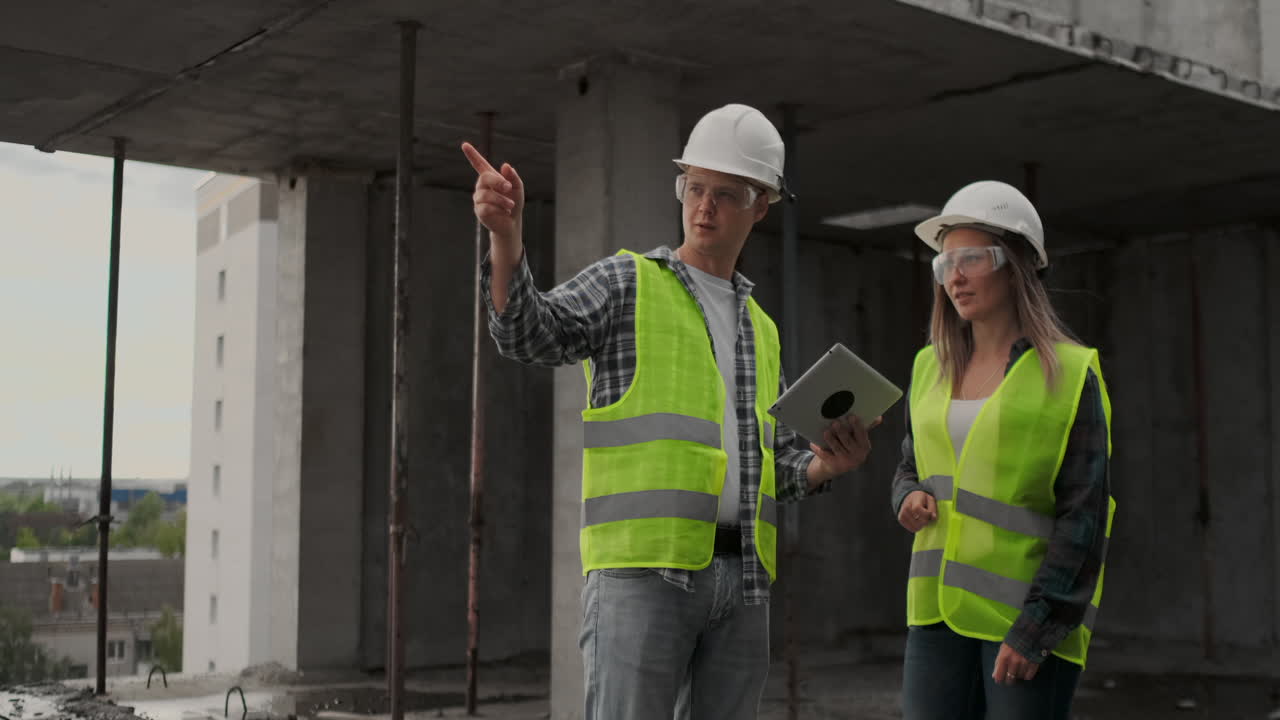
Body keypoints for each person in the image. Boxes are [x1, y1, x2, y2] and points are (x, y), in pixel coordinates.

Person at [462, 103, 878, 720]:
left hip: (744, 580)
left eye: (725, 193)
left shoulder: (759, 328)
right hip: (641, 575)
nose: (704, 206)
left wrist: (825, 466)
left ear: (761, 204)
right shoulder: (627, 283)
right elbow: (526, 333)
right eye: (694, 188)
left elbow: (774, 463)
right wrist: (506, 236)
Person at [892, 180, 1115, 720]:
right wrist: (905, 496)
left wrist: (1036, 628)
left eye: (973, 259)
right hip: (936, 619)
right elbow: (910, 465)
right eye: (944, 264)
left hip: (1026, 625)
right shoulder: (930, 367)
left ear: (1017, 265)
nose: (956, 277)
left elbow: (1083, 518)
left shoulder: (1068, 374)